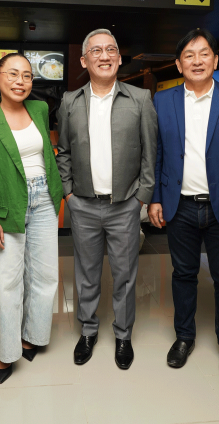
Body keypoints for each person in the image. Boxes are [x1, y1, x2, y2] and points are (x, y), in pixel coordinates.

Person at [148, 28, 219, 377]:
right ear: (179, 64)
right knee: (183, 275)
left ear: (215, 60)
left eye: (204, 53)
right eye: (189, 55)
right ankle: (184, 337)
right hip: (180, 205)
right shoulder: (163, 100)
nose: (197, 60)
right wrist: (155, 198)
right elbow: (158, 153)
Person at [56, 28, 157, 370]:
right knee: (86, 273)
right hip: (82, 203)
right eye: (96, 51)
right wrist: (68, 193)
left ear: (119, 57)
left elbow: (149, 153)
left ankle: (123, 334)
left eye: (111, 49)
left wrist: (141, 197)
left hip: (124, 205)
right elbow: (64, 152)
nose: (104, 56)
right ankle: (87, 330)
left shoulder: (139, 99)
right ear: (84, 61)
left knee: (125, 274)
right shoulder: (70, 101)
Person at [0, 53, 63, 384]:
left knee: (45, 275)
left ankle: (31, 336)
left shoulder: (39, 110)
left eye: (26, 76)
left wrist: (58, 193)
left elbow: (47, 157)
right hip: (7, 204)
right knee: (6, 282)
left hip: (44, 200)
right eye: (12, 74)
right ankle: (6, 353)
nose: (20, 81)